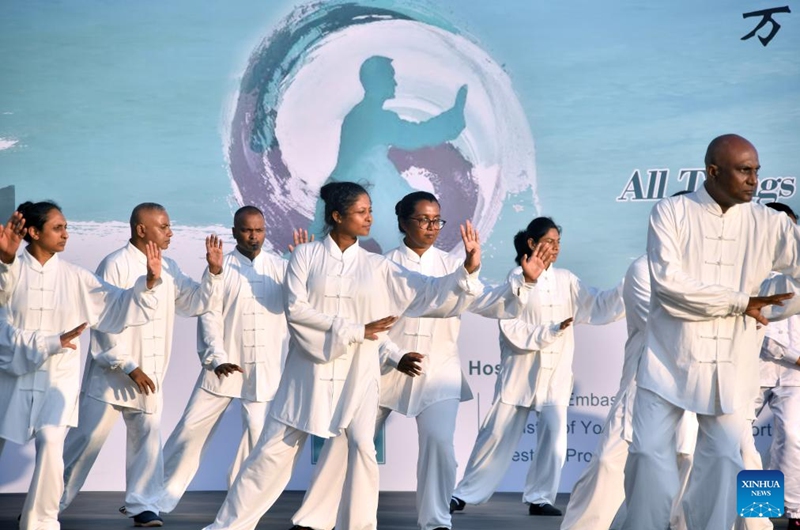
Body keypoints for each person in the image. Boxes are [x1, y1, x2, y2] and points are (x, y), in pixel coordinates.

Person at [203, 181, 485, 530]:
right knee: (271, 453)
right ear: (337, 216)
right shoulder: (305, 256)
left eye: (370, 212)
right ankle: (226, 526)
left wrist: (466, 271)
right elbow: (296, 311)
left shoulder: (376, 266)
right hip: (308, 373)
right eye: (362, 212)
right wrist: (356, 330)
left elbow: (424, 291)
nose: (369, 218)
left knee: (363, 449)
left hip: (359, 376)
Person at [288, 191, 549, 530]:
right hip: (382, 368)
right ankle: (313, 520)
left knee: (440, 444)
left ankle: (437, 521)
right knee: (347, 441)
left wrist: (524, 282)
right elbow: (367, 321)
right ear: (402, 222)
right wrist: (394, 356)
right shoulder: (380, 264)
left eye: (437, 220)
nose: (432, 227)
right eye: (423, 220)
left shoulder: (454, 264)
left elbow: (486, 301)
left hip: (438, 373)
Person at [621, 134, 800, 530]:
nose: (754, 180)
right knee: (648, 456)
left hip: (738, 369)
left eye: (756, 171)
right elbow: (668, 287)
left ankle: (783, 514)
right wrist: (743, 302)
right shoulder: (671, 212)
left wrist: (777, 303)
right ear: (713, 171)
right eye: (744, 171)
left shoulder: (768, 223)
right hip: (670, 360)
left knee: (734, 459)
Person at [60, 202, 223, 528]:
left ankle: (143, 505)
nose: (170, 232)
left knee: (147, 442)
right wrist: (129, 366)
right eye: (163, 226)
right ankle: (48, 504)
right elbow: (102, 321)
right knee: (84, 443)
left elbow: (194, 303)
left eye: (169, 226)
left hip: (150, 376)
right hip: (111, 376)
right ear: (141, 229)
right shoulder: (115, 264)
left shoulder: (170, 266)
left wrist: (214, 272)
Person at [0, 201, 162, 530]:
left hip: (56, 381)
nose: (66, 234)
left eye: (66, 227)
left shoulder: (74, 276)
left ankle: (41, 523)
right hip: (11, 377)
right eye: (58, 228)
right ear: (33, 232)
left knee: (51, 444)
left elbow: (115, 302)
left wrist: (147, 283)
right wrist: (5, 261)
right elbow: (3, 310)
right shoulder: (12, 270)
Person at [451, 216, 625, 517]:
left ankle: (540, 498)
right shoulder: (517, 278)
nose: (555, 248)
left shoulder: (567, 280)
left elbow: (597, 305)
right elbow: (512, 329)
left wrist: (628, 288)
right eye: (549, 242)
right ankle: (463, 494)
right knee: (495, 436)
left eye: (558, 243)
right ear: (532, 243)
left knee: (554, 440)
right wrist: (552, 330)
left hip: (555, 378)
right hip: (519, 374)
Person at [158, 206, 293, 513]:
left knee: (258, 435)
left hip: (264, 369)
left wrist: (300, 268)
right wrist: (215, 357)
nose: (254, 236)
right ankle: (153, 500)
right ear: (234, 232)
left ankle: (242, 502)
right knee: (191, 430)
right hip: (223, 366)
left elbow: (299, 304)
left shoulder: (279, 267)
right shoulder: (220, 267)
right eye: (247, 230)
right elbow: (209, 314)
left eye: (259, 230)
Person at [308, 55, 468, 251]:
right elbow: (417, 135)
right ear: (376, 81)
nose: (395, 82)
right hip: (357, 193)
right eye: (389, 76)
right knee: (405, 241)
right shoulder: (375, 118)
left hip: (339, 190)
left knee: (316, 250)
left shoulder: (357, 114)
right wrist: (455, 115)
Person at [752, 202, 800, 528]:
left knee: (794, 438)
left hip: (794, 373)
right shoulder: (747, 271)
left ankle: (791, 511)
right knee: (739, 439)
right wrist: (792, 355)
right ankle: (755, 513)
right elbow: (756, 327)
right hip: (752, 368)